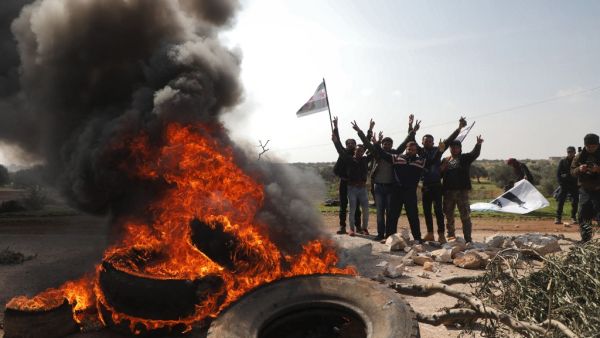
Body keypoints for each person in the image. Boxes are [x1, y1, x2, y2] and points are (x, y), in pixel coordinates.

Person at [356, 123, 425, 243]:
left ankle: (418, 238)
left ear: (416, 151)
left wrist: (412, 131)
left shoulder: (420, 161)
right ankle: (389, 237)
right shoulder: (397, 158)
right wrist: (376, 143)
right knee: (392, 216)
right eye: (409, 149)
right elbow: (381, 153)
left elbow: (433, 159)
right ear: (406, 149)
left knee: (413, 216)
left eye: (414, 150)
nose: (411, 151)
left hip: (410, 192)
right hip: (396, 191)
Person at [411, 116, 467, 243]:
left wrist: (459, 128)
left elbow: (449, 139)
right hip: (425, 186)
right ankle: (430, 233)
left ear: (433, 142)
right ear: (422, 142)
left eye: (430, 141)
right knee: (426, 211)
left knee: (438, 211)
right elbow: (411, 139)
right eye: (426, 141)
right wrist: (412, 128)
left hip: (437, 185)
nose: (428, 143)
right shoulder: (420, 152)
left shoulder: (439, 149)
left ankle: (441, 234)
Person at [332, 118, 371, 236]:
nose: (350, 145)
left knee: (357, 206)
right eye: (348, 143)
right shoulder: (344, 154)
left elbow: (367, 144)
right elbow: (337, 142)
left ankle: (358, 226)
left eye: (352, 143)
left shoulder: (359, 156)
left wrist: (370, 130)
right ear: (346, 145)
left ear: (355, 145)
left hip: (355, 185)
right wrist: (336, 127)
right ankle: (342, 226)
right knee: (343, 204)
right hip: (344, 182)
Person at [440, 136, 484, 243]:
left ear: (460, 149)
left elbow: (474, 154)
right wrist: (442, 168)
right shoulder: (445, 160)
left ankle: (468, 239)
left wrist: (478, 144)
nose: (454, 149)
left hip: (462, 192)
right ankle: (451, 236)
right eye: (452, 147)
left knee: (465, 216)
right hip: (448, 192)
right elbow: (439, 174)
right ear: (449, 148)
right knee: (449, 215)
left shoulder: (464, 158)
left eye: (456, 147)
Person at [570, 133, 600, 242]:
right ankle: (586, 241)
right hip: (585, 190)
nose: (591, 149)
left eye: (594, 146)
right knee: (583, 215)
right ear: (585, 145)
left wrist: (598, 169)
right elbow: (572, 172)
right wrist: (579, 169)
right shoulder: (579, 156)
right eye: (588, 147)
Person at [555, 146, 579, 224]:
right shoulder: (562, 161)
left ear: (575, 152)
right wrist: (561, 183)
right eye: (568, 152)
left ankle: (573, 217)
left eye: (571, 152)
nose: (570, 153)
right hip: (564, 185)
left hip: (574, 184)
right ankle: (558, 218)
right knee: (561, 201)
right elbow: (558, 174)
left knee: (575, 201)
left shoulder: (577, 161)